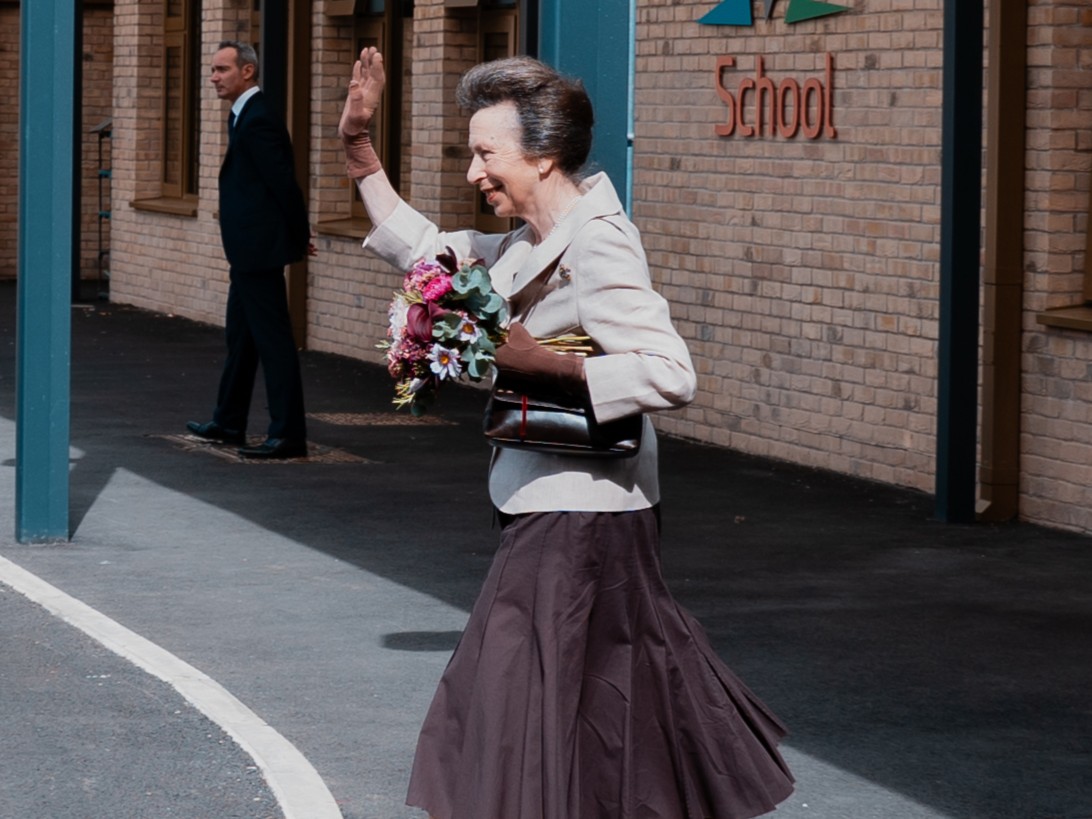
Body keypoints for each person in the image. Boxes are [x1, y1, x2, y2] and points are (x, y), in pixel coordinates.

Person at [341, 48, 795, 818]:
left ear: (543, 155)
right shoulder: (527, 241)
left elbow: (671, 373)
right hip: (561, 510)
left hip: (583, 519)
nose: (474, 172)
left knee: (511, 699)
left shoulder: (598, 241)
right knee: (587, 712)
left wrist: (550, 366)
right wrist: (358, 148)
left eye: (487, 154)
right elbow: (429, 254)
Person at [186, 40, 312, 460]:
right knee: (240, 339)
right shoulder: (243, 115)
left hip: (258, 252)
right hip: (246, 251)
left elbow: (283, 183)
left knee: (273, 342)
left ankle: (288, 434)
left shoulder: (259, 119)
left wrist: (298, 234)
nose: (213, 78)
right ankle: (228, 422)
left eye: (222, 69)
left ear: (247, 71)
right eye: (212, 70)